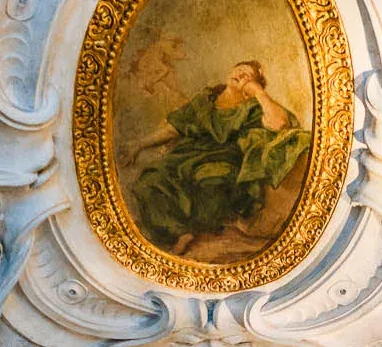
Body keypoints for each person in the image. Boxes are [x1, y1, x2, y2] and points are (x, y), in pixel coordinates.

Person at [127, 61, 310, 259]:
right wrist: (139, 145)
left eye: (247, 75)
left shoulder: (252, 107)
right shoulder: (205, 101)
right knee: (148, 181)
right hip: (186, 156)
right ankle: (178, 231)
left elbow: (279, 124)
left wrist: (257, 91)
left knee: (213, 183)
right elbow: (174, 128)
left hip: (223, 159)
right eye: (239, 69)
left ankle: (190, 231)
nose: (241, 73)